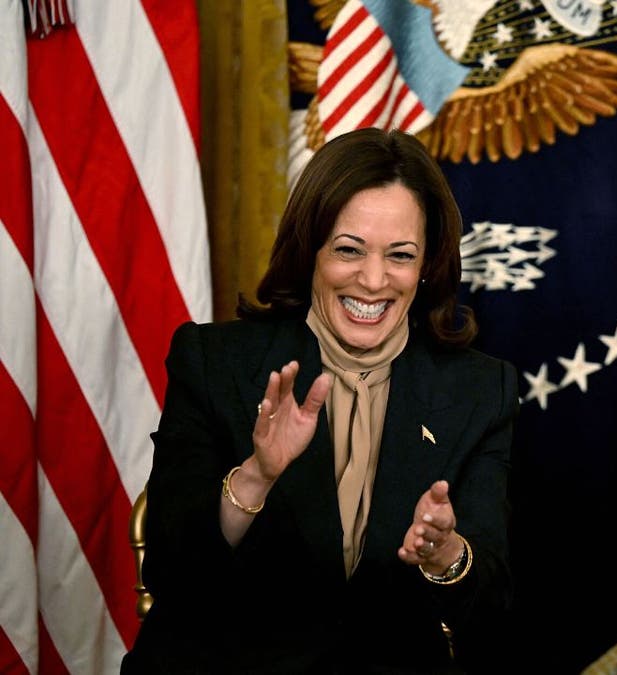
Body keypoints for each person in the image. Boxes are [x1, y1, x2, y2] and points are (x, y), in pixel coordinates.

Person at [123, 128, 518, 673]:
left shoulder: (479, 390)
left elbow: (493, 606)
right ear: (311, 247)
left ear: (427, 265)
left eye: (400, 255)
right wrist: (255, 477)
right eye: (349, 250)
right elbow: (171, 572)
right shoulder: (215, 362)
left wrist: (445, 555)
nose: (374, 280)